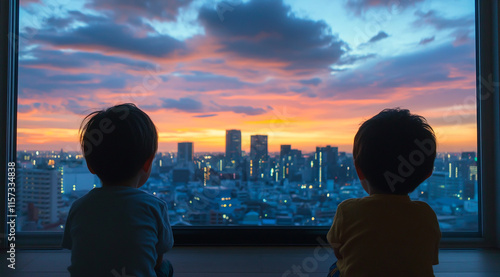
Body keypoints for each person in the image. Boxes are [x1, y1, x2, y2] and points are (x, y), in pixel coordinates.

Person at [62, 103, 174, 277]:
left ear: (90, 165)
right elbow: (156, 259)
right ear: (147, 162)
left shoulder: (79, 207)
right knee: (166, 267)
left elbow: (76, 250)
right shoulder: (154, 207)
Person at [327, 108, 441, 277]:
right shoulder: (426, 215)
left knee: (334, 268)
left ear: (359, 170)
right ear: (427, 174)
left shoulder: (348, 211)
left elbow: (338, 251)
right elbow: (430, 258)